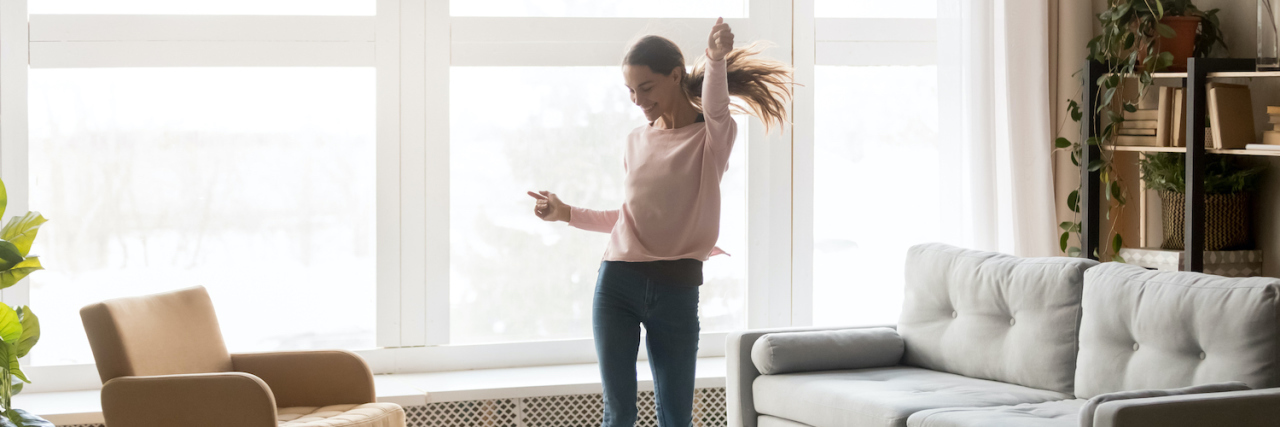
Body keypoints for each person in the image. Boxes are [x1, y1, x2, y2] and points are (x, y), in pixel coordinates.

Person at [526, 17, 792, 427]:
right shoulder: (636, 140)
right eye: (630, 91)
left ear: (675, 76)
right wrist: (567, 214)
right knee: (618, 414)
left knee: (676, 417)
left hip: (677, 290)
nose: (637, 100)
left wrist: (716, 60)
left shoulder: (711, 138)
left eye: (645, 88)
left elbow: (716, 106)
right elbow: (631, 218)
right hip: (616, 284)